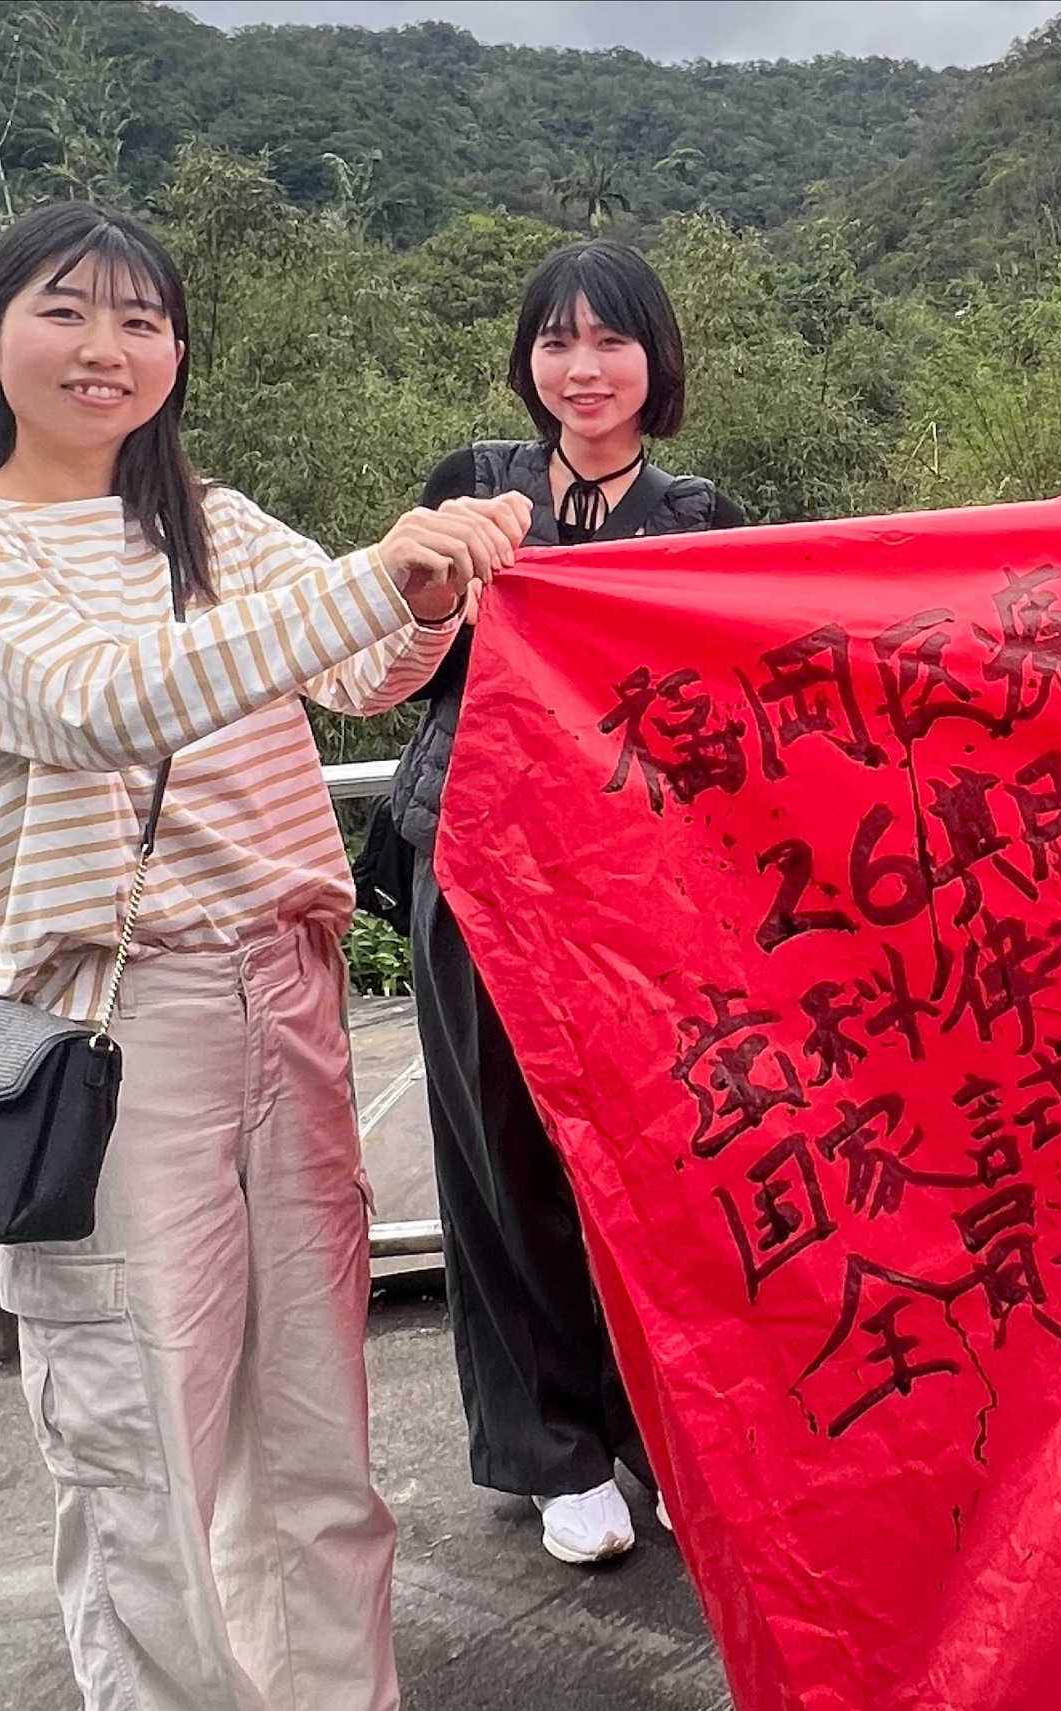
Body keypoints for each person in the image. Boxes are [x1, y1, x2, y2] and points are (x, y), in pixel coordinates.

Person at [0, 201, 531, 1711]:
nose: (108, 348)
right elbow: (97, 705)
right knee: (144, 1450)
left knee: (311, 1424)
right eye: (66, 312)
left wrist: (429, 595)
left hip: (289, 991)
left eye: (143, 320)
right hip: (119, 1023)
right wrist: (371, 575)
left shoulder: (216, 520)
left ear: (175, 354)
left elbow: (357, 667)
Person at [387, 241, 743, 1566]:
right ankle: (555, 1448)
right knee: (496, 1157)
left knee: (655, 1163)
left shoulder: (699, 517)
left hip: (633, 884)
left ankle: (666, 1432)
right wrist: (436, 586)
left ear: (656, 358)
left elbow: (725, 708)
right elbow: (404, 658)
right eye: (555, 341)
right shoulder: (471, 490)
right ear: (525, 359)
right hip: (472, 857)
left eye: (608, 340)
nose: (581, 368)